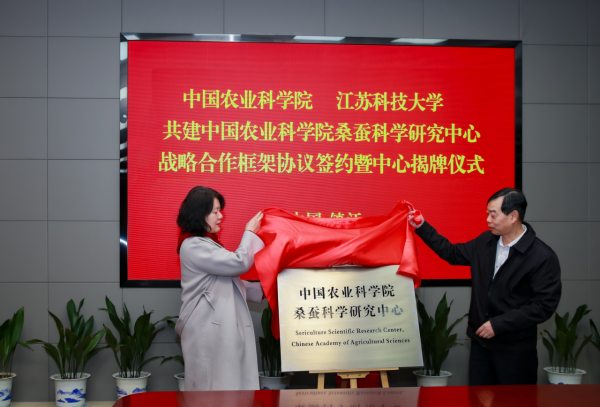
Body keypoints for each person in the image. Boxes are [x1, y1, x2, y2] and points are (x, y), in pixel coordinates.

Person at [408, 188, 561, 385]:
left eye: (493, 214)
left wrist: (498, 324)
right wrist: (422, 226)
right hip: (481, 345)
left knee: (513, 399)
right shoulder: (485, 242)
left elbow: (544, 306)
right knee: (479, 397)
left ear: (513, 216)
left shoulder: (542, 256)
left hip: (515, 351)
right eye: (487, 213)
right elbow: (452, 253)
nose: (488, 219)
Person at [173, 186, 265, 391]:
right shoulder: (193, 245)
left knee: (225, 387)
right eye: (215, 211)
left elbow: (227, 283)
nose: (221, 216)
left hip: (215, 326)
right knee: (214, 390)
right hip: (208, 328)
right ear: (200, 214)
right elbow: (239, 263)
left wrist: (265, 290)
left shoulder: (204, 243)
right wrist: (250, 233)